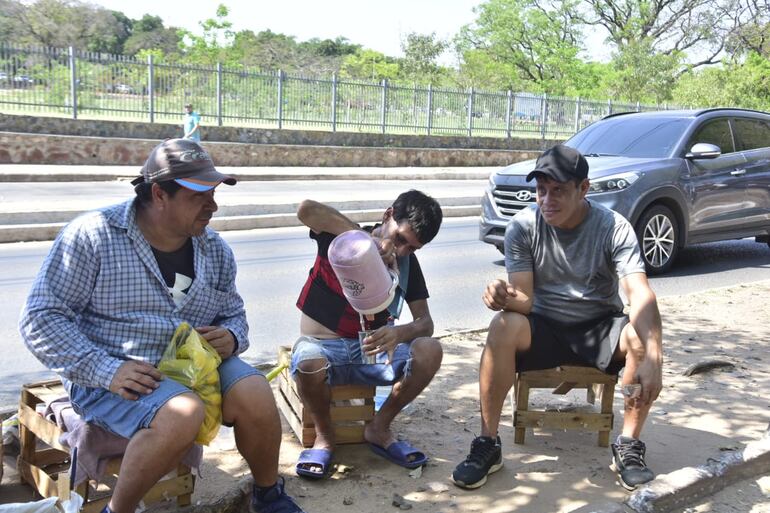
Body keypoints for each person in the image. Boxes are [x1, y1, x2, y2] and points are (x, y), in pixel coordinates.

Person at [20, 138, 306, 513]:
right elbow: (41, 318)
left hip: (193, 367)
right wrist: (107, 370)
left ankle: (267, 494)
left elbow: (234, 315)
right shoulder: (93, 236)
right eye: (199, 196)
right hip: (116, 374)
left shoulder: (214, 249)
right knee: (181, 412)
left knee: (255, 391)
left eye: (215, 194)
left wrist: (232, 337)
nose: (213, 206)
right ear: (159, 194)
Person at [452, 145, 663, 492]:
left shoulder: (613, 228)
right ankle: (488, 443)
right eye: (541, 190)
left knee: (640, 340)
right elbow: (524, 297)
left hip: (599, 328)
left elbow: (639, 294)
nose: (547, 200)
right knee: (502, 325)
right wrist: (501, 295)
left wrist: (656, 356)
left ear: (584, 189)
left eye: (558, 191)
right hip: (544, 328)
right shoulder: (521, 227)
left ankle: (628, 446)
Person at [291, 191, 444, 479]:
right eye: (399, 239)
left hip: (370, 355)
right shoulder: (344, 239)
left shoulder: (407, 265)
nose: (401, 251)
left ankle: (379, 427)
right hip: (323, 347)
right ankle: (325, 437)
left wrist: (400, 333)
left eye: (412, 248)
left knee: (430, 349)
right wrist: (367, 243)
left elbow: (426, 323)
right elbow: (306, 209)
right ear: (388, 215)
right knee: (308, 362)